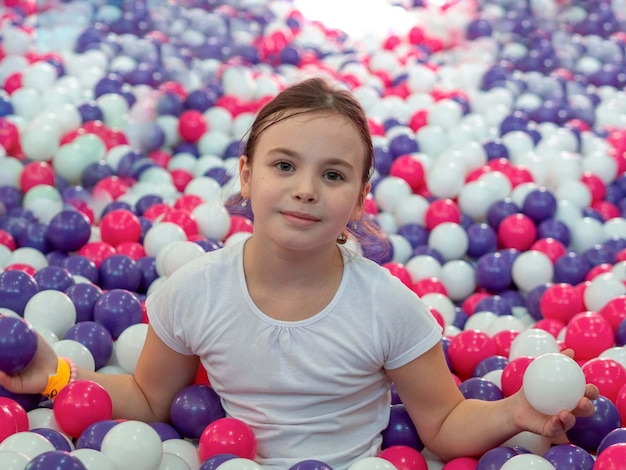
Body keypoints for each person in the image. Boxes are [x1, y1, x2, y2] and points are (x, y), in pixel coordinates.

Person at [0, 77, 597, 469]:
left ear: (360, 199)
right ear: (247, 175)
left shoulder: (388, 306)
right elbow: (150, 398)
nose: (306, 189)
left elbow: (441, 423)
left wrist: (515, 411)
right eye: (284, 165)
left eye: (333, 176)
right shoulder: (193, 292)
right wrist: (56, 379)